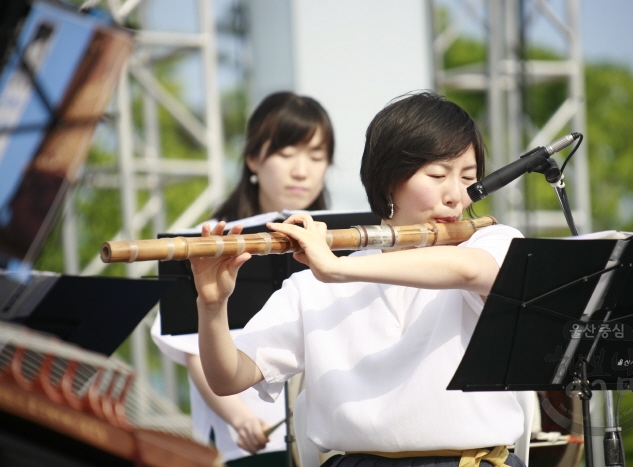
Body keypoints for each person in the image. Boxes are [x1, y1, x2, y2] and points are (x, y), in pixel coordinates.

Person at [191, 91, 528, 467]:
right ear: (388, 181)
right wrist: (212, 305)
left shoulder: (493, 242)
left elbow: (470, 271)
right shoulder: (312, 287)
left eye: (468, 177)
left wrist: (337, 268)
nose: (456, 196)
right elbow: (229, 378)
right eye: (437, 175)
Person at [151, 91, 334, 466]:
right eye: (286, 154)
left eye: (316, 157)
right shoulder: (211, 244)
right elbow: (193, 350)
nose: (302, 170)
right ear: (253, 158)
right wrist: (240, 418)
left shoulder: (336, 241)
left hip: (323, 443)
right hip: (246, 443)